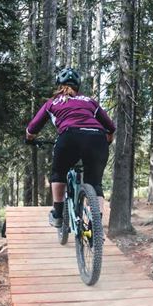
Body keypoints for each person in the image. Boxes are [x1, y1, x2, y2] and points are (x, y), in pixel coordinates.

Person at [26, 67, 115, 227]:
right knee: (95, 183)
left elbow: (32, 128)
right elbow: (110, 127)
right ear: (78, 87)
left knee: (58, 173)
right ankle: (96, 224)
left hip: (69, 137)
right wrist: (106, 140)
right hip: (97, 138)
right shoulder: (89, 101)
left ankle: (58, 214)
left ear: (58, 85)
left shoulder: (52, 103)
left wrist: (30, 139)